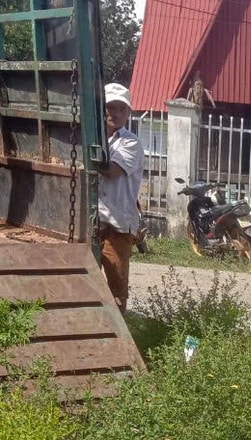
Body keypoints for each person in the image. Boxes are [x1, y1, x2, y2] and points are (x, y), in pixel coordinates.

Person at [98, 83, 145, 314]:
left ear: (128, 113)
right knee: (85, 283)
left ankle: (118, 333)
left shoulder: (131, 143)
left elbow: (111, 170)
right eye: (110, 107)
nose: (114, 113)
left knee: (116, 288)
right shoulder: (94, 137)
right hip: (92, 222)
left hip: (117, 225)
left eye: (121, 109)